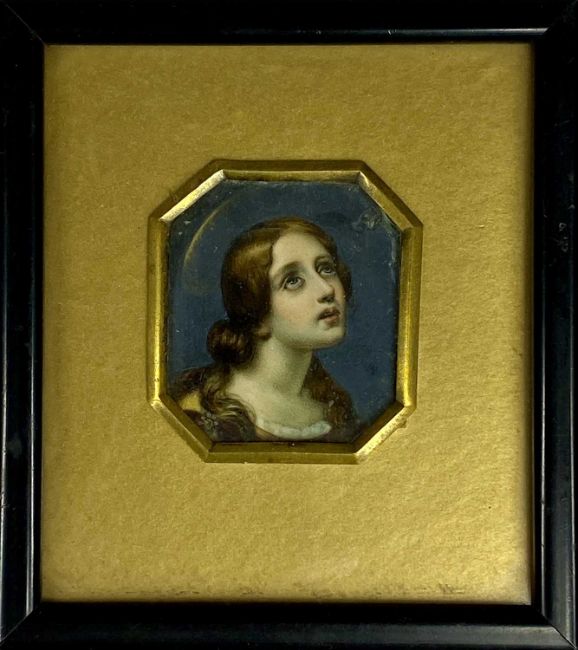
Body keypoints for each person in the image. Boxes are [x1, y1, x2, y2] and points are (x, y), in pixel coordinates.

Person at [172, 217, 357, 442]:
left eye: (326, 269)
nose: (327, 289)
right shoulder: (199, 414)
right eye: (293, 280)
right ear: (257, 312)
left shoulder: (334, 411)